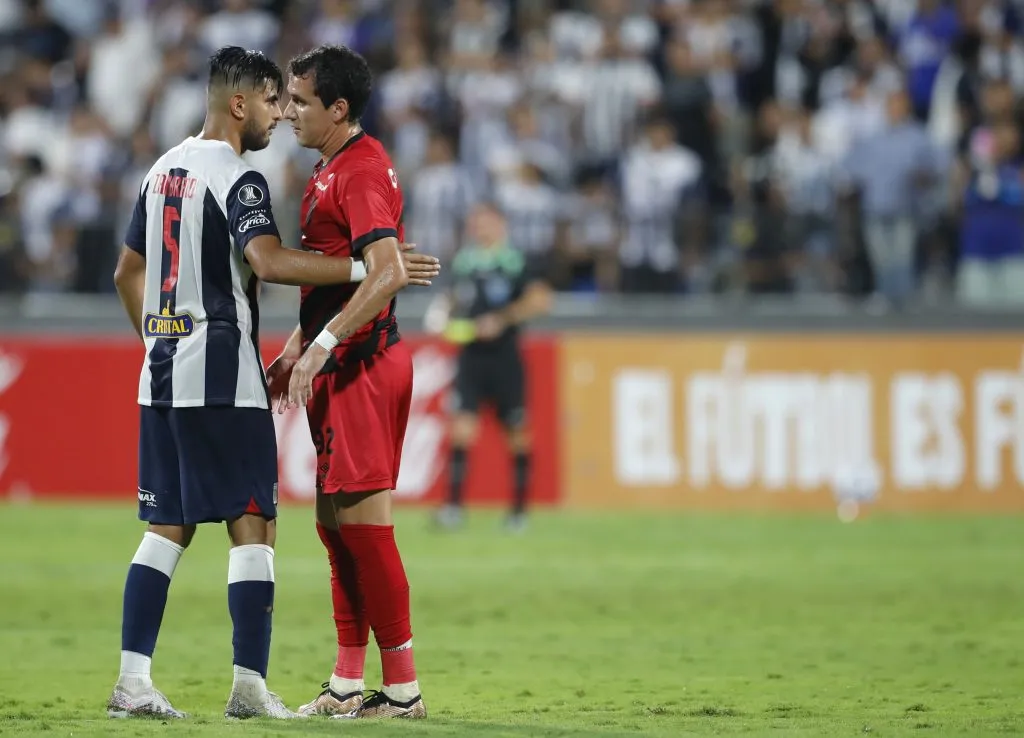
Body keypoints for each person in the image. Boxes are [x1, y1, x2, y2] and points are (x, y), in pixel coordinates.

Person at [107, 46, 439, 721]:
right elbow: (272, 261)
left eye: (295, 102)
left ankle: (133, 682)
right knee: (254, 522)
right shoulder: (242, 176)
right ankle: (252, 685)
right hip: (226, 375)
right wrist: (361, 272)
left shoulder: (161, 167)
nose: (280, 114)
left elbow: (124, 275)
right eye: (271, 100)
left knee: (166, 525)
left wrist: (161, 339)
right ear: (240, 103)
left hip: (165, 373)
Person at [268, 44, 425, 720]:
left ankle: (403, 690)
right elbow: (349, 273)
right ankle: (345, 684)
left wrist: (323, 346)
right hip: (338, 361)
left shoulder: (358, 171)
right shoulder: (332, 167)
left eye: (299, 101)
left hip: (362, 366)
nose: (287, 112)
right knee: (335, 528)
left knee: (366, 528)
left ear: (338, 108)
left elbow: (386, 270)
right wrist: (299, 343)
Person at [424, 202, 552, 531]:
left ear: (500, 225)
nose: (479, 229)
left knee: (516, 434)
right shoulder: (465, 262)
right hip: (471, 357)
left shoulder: (516, 261)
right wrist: (441, 315)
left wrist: (502, 319)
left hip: (505, 357)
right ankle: (453, 509)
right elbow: (453, 298)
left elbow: (540, 300)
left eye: (485, 223)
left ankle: (519, 512)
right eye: (475, 223)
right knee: (461, 430)